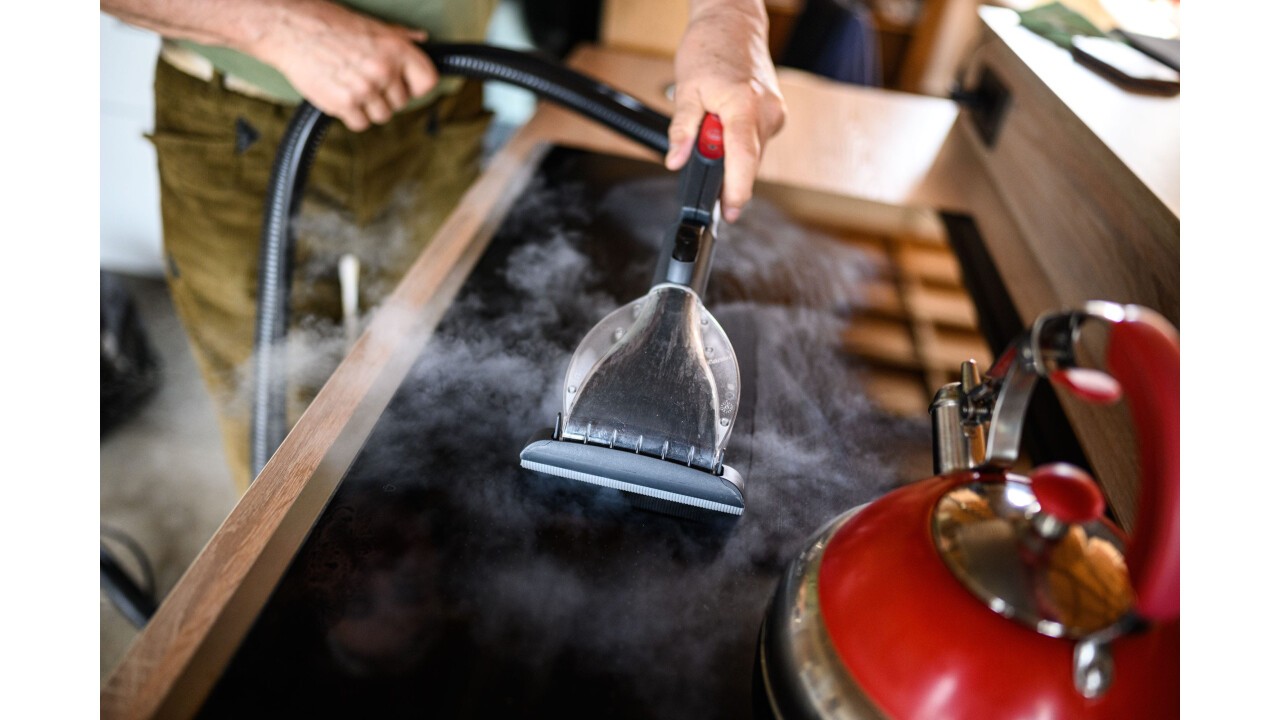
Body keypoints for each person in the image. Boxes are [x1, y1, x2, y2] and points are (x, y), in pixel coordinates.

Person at [100, 0, 787, 492]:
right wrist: (274, 21)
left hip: (441, 108)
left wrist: (729, 22)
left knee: (429, 389)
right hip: (240, 119)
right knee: (278, 423)